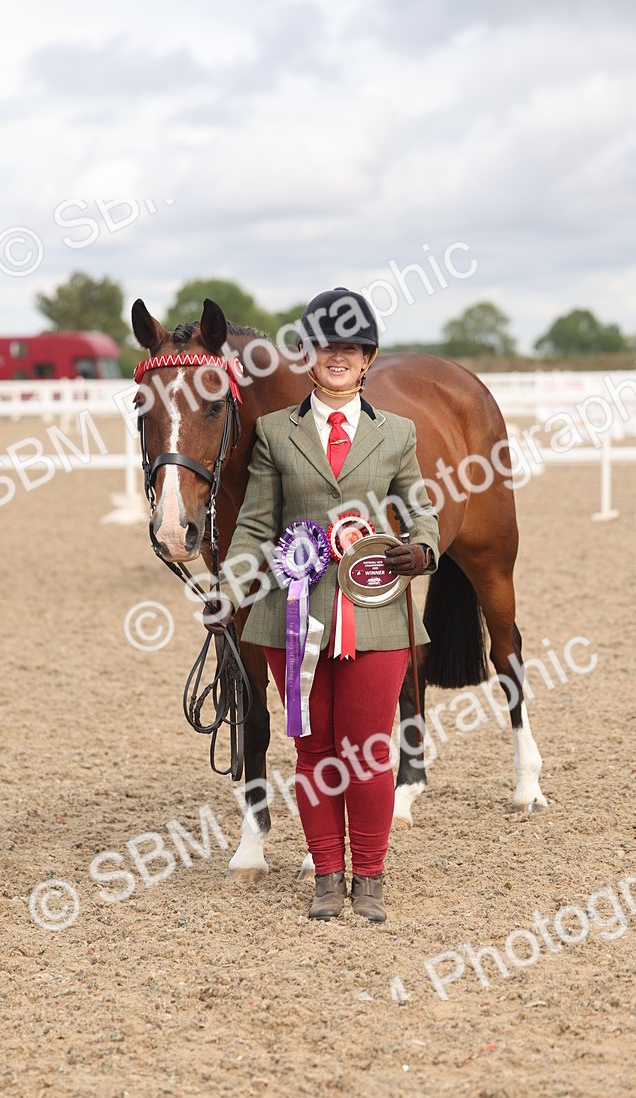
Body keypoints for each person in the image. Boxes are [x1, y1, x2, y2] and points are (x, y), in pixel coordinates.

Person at [203, 287, 439, 924]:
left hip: (379, 612)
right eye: (325, 345)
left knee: (367, 748)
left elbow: (420, 507)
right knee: (312, 751)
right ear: (307, 355)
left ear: (367, 359)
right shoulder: (276, 434)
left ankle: (369, 875)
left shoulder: (398, 433)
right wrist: (230, 585)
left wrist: (423, 549)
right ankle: (327, 875)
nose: (337, 356)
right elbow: (254, 524)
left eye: (351, 347)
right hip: (294, 613)